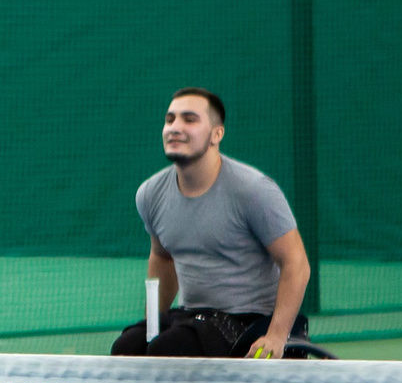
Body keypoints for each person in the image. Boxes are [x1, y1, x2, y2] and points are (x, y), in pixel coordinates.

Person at [112, 88, 311, 362]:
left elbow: (296, 263)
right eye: (170, 119)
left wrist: (277, 335)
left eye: (189, 119)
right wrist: (151, 325)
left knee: (168, 349)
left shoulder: (253, 190)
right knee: (127, 347)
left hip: (250, 322)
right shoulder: (150, 193)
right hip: (193, 318)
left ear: (217, 134)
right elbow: (162, 257)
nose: (175, 128)